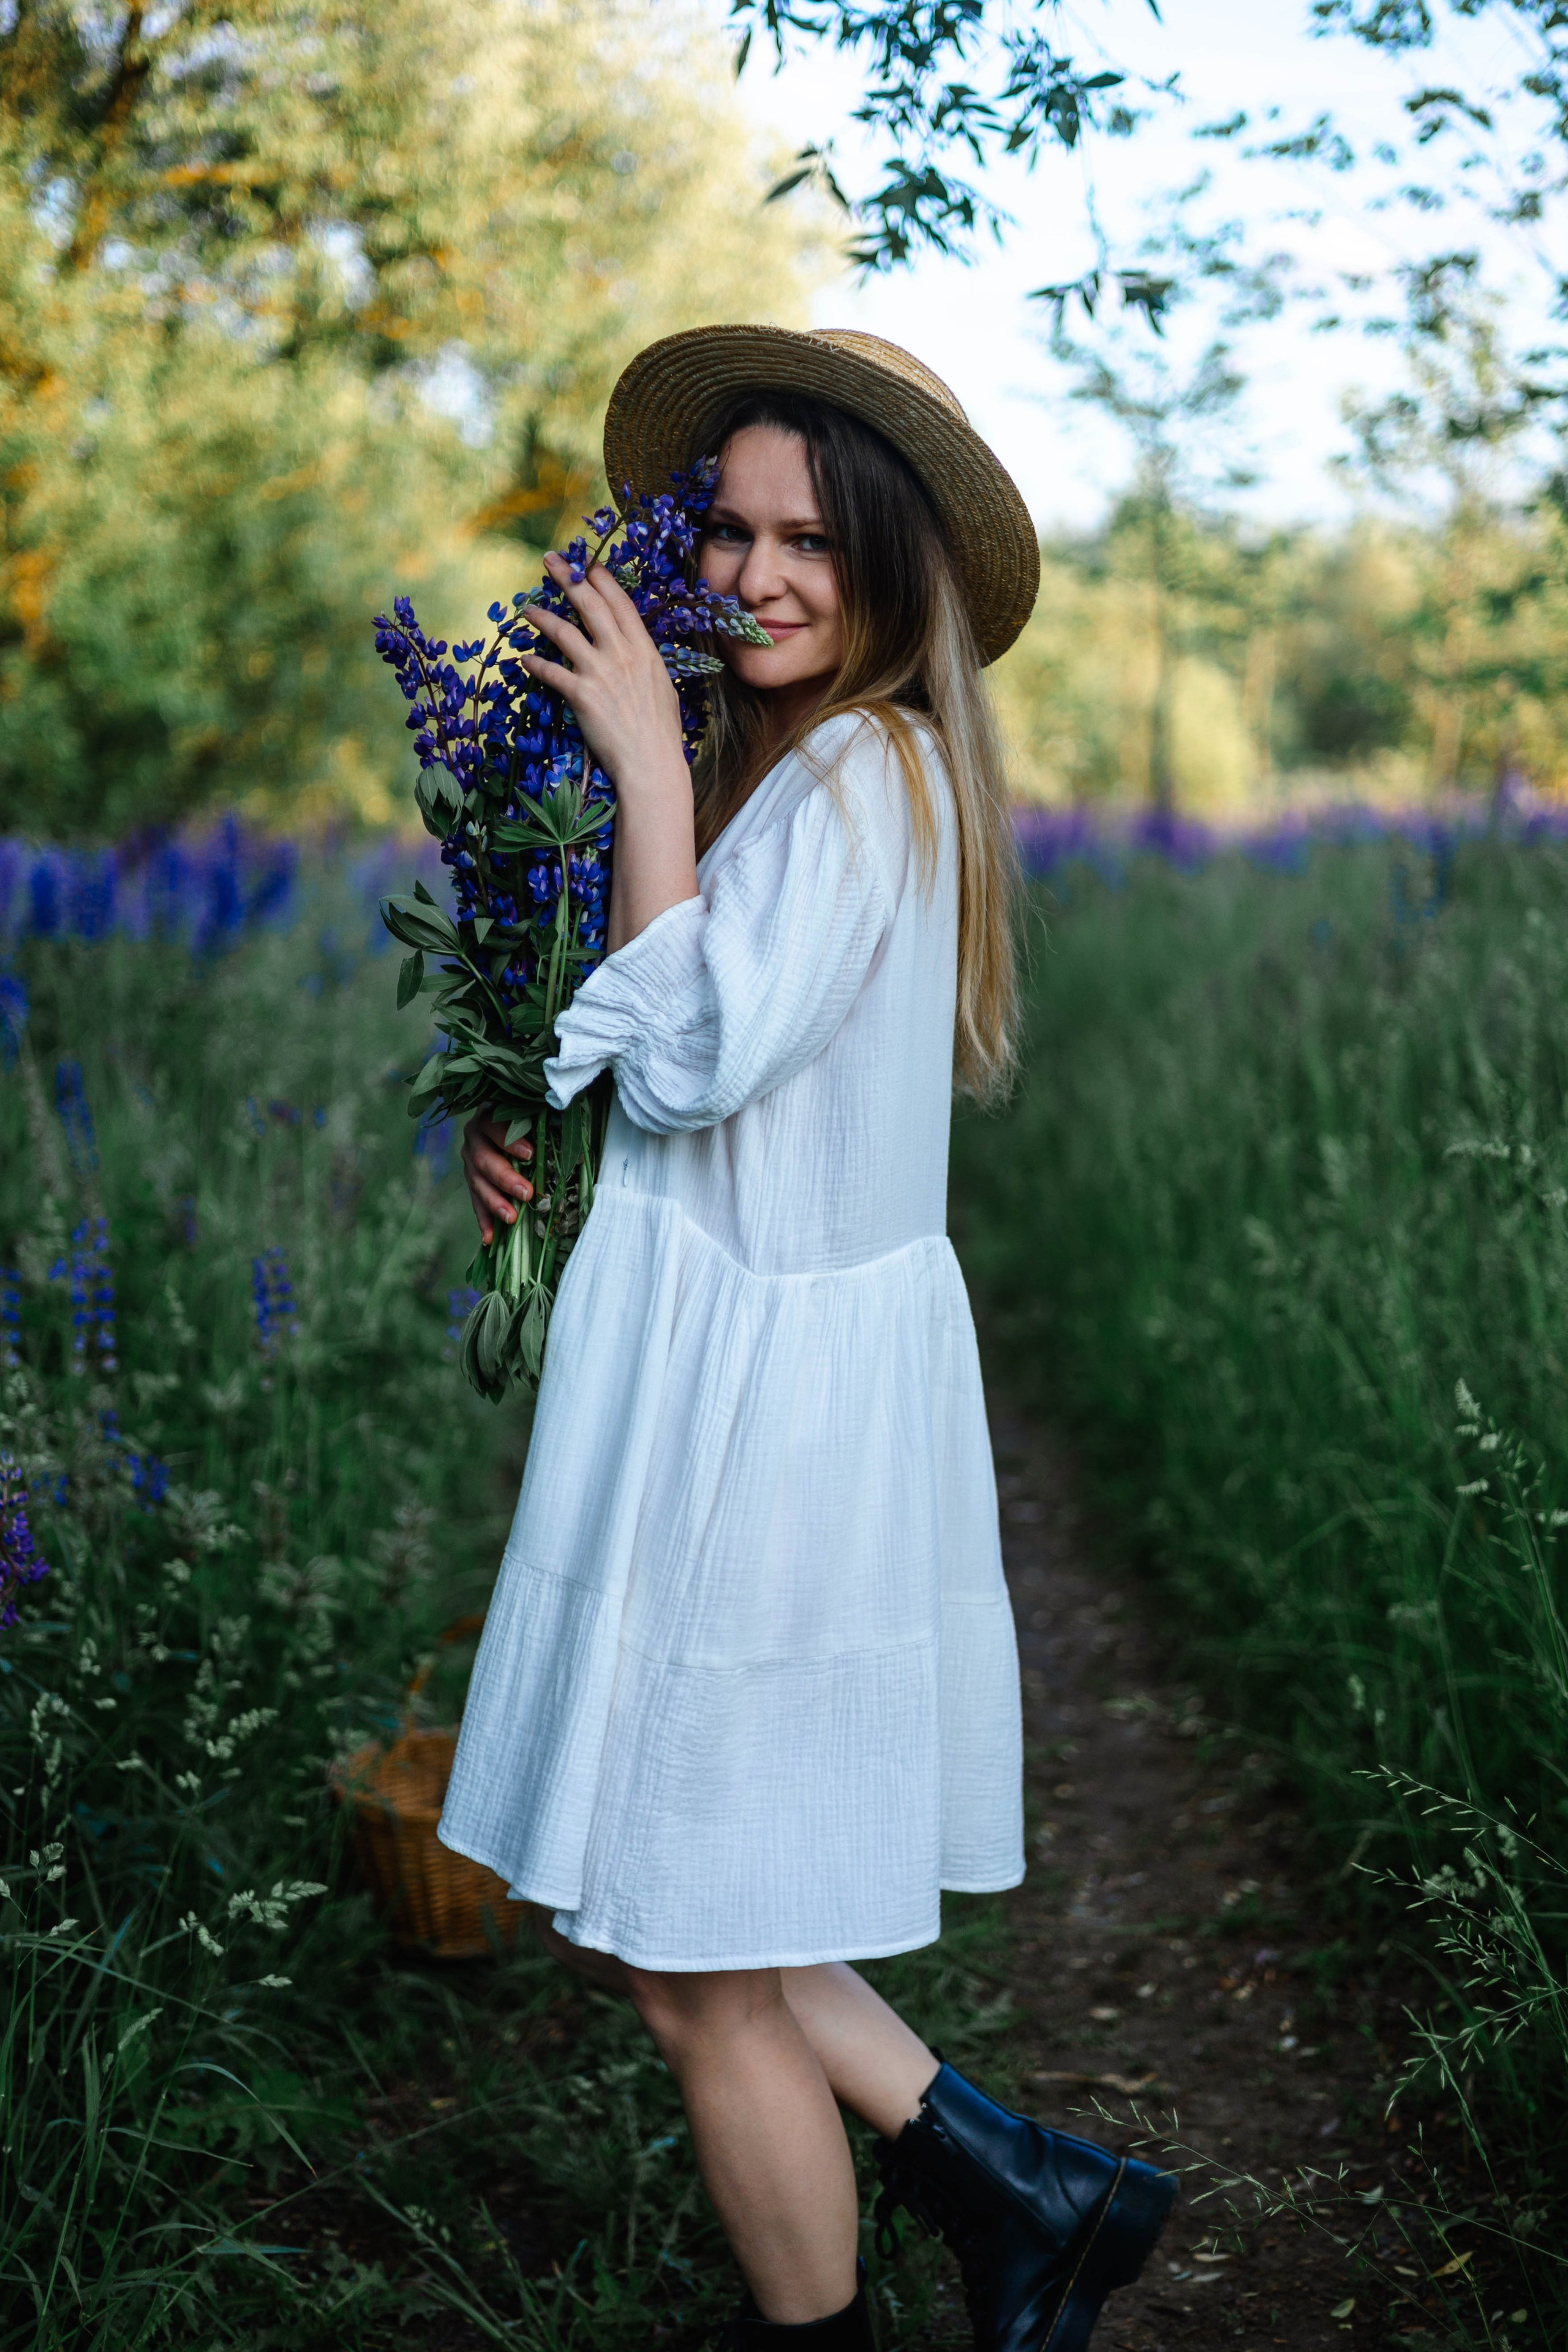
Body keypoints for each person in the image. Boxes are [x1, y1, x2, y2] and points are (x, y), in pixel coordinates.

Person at [442, 325, 1176, 2350]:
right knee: (657, 1912)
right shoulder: (787, 771)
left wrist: (645, 778)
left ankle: (993, 2218)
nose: (756, 575)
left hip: (769, 1429)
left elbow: (687, 1059)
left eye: (811, 546)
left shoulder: (864, 772)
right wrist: (539, 1150)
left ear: (892, 573)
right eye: (732, 533)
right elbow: (695, 1096)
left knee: (683, 1954)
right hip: (714, 1380)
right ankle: (1023, 2187)